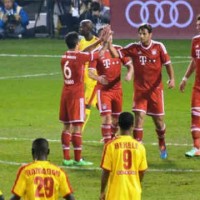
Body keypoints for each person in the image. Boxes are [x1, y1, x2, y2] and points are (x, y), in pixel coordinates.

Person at [109, 23, 175, 159]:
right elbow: (116, 54)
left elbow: (168, 64)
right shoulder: (134, 47)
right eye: (140, 33)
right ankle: (137, 150)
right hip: (140, 92)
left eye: (144, 33)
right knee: (139, 118)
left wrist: (172, 79)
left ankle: (162, 142)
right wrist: (109, 44)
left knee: (159, 122)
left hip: (155, 91)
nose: (141, 36)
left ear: (150, 34)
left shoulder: (159, 47)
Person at [60, 30, 109, 166]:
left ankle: (66, 158)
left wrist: (98, 40)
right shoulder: (80, 58)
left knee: (66, 126)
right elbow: (98, 55)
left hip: (65, 94)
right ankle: (78, 159)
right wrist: (105, 43)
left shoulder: (65, 56)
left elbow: (85, 51)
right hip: (76, 96)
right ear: (77, 44)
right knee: (77, 127)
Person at [89, 34, 133, 144]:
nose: (109, 39)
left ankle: (111, 137)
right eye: (107, 36)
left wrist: (129, 74)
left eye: (111, 36)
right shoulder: (97, 53)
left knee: (116, 120)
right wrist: (98, 77)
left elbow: (130, 66)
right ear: (102, 38)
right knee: (106, 118)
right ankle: (107, 144)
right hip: (104, 91)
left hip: (117, 90)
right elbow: (90, 72)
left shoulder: (118, 49)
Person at [100, 112, 148, 200]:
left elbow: (105, 171)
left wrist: (102, 191)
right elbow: (142, 172)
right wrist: (137, 183)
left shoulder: (110, 146)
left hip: (115, 195)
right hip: (134, 194)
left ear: (118, 125)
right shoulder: (140, 147)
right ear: (132, 125)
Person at [10, 138, 75, 200]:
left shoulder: (25, 171)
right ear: (48, 151)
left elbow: (16, 197)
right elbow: (70, 197)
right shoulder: (59, 172)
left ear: (32, 151)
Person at [179, 14, 200, 157]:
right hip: (198, 87)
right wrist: (185, 78)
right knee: (195, 115)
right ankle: (196, 147)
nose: (198, 27)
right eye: (197, 25)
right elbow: (194, 61)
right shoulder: (195, 41)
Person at [79, 19, 100, 132]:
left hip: (93, 81)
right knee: (101, 106)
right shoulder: (81, 42)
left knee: (86, 105)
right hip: (83, 80)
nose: (80, 29)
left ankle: (78, 133)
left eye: (82, 27)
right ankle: (113, 131)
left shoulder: (98, 42)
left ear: (89, 29)